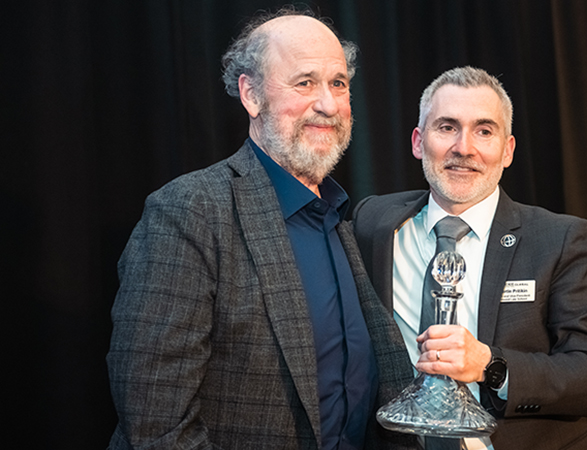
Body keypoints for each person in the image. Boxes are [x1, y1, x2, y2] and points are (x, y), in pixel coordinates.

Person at [106, 9, 415, 450]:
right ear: (250, 95)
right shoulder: (190, 210)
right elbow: (157, 422)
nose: (327, 104)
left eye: (338, 83)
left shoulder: (342, 218)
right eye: (304, 82)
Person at [352, 66, 587, 449]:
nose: (464, 148)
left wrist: (489, 365)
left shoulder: (558, 239)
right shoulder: (373, 224)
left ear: (507, 150)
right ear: (417, 141)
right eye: (446, 127)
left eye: (484, 130)